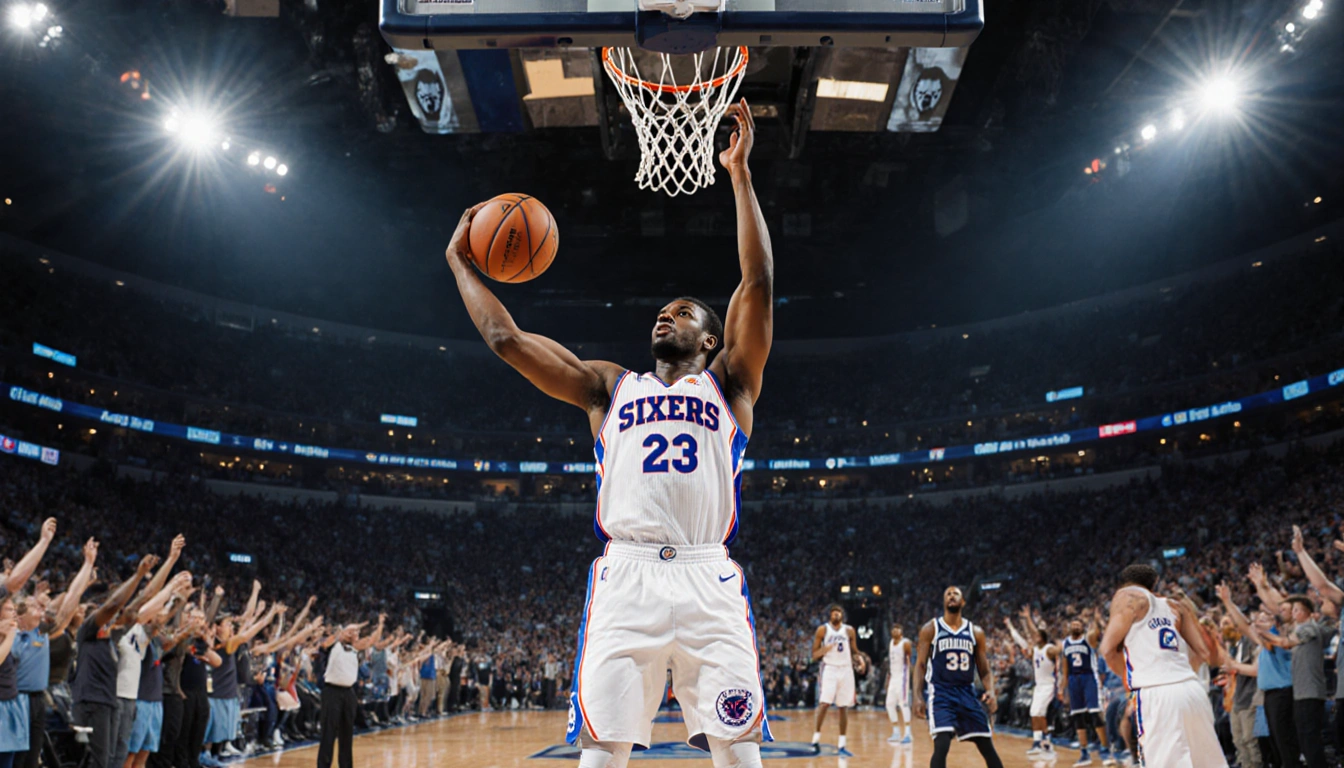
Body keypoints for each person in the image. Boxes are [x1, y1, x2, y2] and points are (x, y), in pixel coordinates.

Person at [445, 98, 773, 768]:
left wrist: (738, 177)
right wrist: (460, 264)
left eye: (682, 313)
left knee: (741, 759)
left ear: (710, 338)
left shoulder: (731, 384)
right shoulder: (608, 387)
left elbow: (758, 281)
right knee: (602, 759)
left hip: (709, 575)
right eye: (661, 311)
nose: (665, 316)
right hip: (625, 579)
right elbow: (507, 339)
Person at [1098, 564, 1226, 768]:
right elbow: (1205, 653)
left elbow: (1106, 649)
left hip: (1157, 693)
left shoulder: (1128, 597)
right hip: (1192, 691)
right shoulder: (1177, 606)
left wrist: (1132, 676)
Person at [13, 536, 95, 768]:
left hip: (39, 699)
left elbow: (70, 599)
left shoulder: (43, 631)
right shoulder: (12, 635)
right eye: (33, 606)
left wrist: (87, 565)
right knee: (15, 757)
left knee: (32, 757)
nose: (41, 608)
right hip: (16, 698)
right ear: (19, 615)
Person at [73, 554, 159, 768]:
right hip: (90, 703)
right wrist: (138, 574)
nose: (110, 618)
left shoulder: (112, 636)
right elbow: (113, 605)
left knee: (113, 758)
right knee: (97, 761)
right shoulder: (88, 632)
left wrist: (167, 569)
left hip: (108, 702)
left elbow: (140, 602)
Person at [912, 586, 1004, 768]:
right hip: (941, 693)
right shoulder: (931, 629)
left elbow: (984, 670)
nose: (951, 596)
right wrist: (917, 696)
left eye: (956, 594)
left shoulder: (975, 632)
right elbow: (920, 665)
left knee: (986, 744)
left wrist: (991, 691)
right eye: (948, 594)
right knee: (942, 744)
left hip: (966, 693)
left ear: (963, 602)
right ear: (944, 601)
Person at [316, 616, 384, 768]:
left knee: (347, 734)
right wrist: (346, 630)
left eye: (356, 632)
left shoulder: (355, 649)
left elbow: (372, 640)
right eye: (351, 631)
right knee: (328, 732)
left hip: (348, 693)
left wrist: (380, 624)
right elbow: (328, 641)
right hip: (332, 691)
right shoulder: (335, 646)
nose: (354, 633)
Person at [1059, 610, 1115, 766]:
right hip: (1073, 680)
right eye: (1073, 624)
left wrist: (1096, 620)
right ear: (1069, 627)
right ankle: (1084, 753)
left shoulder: (1088, 639)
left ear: (1082, 627)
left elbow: (1095, 632)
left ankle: (1105, 749)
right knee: (1078, 717)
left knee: (1095, 714)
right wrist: (1064, 688)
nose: (1076, 626)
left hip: (1089, 677)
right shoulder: (1065, 643)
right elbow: (1065, 667)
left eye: (1078, 624)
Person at [1005, 607, 1058, 758]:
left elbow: (1034, 631)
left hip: (1049, 685)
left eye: (1037, 636)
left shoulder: (1049, 649)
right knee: (1038, 714)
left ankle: (1037, 743)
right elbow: (1021, 640)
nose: (1034, 637)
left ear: (1042, 637)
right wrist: (1011, 626)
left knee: (1035, 712)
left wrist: (1028, 619)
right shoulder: (1034, 650)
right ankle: (1046, 741)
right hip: (1039, 686)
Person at [810, 605, 859, 754]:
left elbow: (854, 651)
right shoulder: (823, 630)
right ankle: (816, 737)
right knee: (824, 703)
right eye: (833, 613)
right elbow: (814, 654)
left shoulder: (850, 630)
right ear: (830, 616)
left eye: (838, 613)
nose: (836, 615)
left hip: (846, 669)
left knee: (843, 706)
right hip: (830, 669)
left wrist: (860, 659)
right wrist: (824, 650)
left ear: (842, 615)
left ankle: (842, 743)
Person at [886, 624, 914, 745]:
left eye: (898, 629)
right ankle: (896, 732)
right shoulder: (891, 643)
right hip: (893, 676)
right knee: (889, 704)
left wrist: (911, 677)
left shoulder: (906, 643)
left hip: (903, 677)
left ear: (901, 631)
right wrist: (888, 678)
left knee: (903, 703)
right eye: (893, 628)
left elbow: (909, 661)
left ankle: (908, 733)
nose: (895, 630)